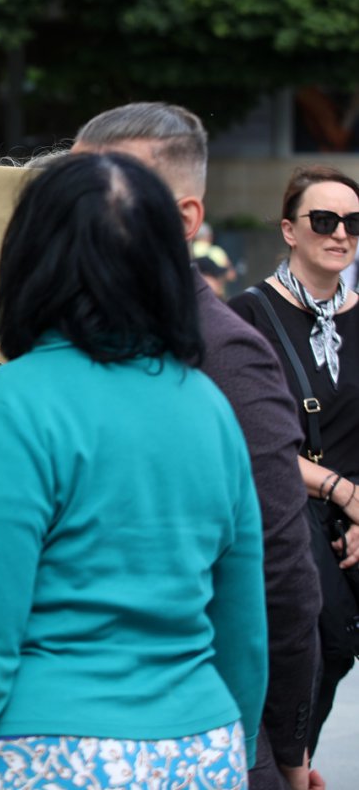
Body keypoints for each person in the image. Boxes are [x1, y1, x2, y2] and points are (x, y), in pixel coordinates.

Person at [0, 152, 268, 790]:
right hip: (200, 746)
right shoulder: (208, 406)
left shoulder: (12, 403)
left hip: (52, 750)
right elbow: (242, 624)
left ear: (30, 259)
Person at [76, 103, 319, 790]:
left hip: (207, 736)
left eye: (109, 189)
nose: (79, 214)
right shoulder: (57, 346)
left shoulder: (226, 357)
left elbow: (280, 573)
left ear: (185, 219)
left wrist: (287, 744)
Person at [231, 164, 359, 762]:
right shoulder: (249, 316)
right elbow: (249, 437)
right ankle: (290, 762)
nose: (340, 234)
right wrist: (339, 492)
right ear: (289, 229)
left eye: (353, 223)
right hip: (287, 501)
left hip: (355, 506)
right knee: (322, 641)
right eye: (325, 220)